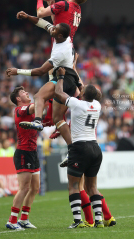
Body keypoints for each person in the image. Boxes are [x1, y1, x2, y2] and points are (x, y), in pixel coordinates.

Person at [6, 18, 82, 146]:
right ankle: (72, 148)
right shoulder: (63, 37)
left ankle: (37, 121)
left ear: (59, 35)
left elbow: (40, 71)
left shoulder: (60, 53)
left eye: (55, 28)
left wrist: (17, 71)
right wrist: (27, 16)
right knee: (58, 119)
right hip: (70, 81)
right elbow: (45, 24)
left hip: (63, 78)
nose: (52, 28)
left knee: (38, 96)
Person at [35, 0, 90, 137]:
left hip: (61, 50)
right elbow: (56, 20)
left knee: (56, 80)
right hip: (69, 48)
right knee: (66, 79)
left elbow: (40, 14)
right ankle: (59, 116)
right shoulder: (77, 9)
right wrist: (51, 5)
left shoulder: (64, 4)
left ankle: (57, 117)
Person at [54, 67, 105, 228]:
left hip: (80, 147)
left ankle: (78, 221)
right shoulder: (97, 105)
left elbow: (59, 94)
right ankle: (99, 220)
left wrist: (61, 77)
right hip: (95, 148)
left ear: (82, 95)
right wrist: (75, 71)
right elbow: (86, 91)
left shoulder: (76, 104)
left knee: (73, 185)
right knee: (93, 187)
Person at [6, 86, 40, 230]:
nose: (27, 92)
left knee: (35, 187)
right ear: (18, 99)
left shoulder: (30, 109)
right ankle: (12, 220)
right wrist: (44, 96)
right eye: (23, 92)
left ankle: (24, 219)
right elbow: (36, 106)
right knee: (24, 187)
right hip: (23, 152)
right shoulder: (20, 110)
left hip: (33, 152)